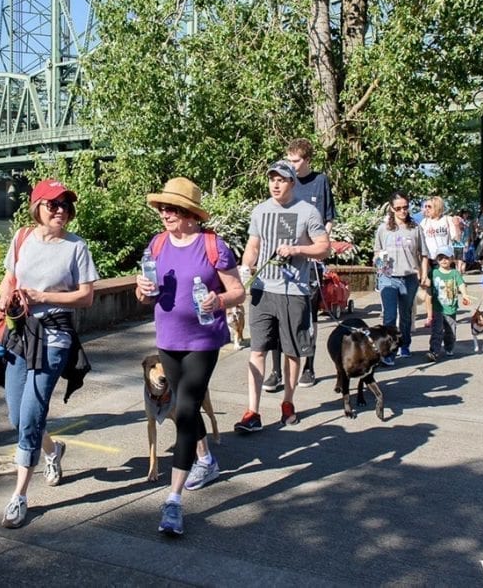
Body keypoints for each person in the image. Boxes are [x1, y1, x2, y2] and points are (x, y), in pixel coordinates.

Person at [135, 177, 245, 537]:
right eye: (162, 208)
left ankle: (173, 500)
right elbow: (145, 291)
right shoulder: (157, 243)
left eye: (172, 208)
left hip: (203, 340)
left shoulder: (213, 246)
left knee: (183, 410)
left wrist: (219, 301)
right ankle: (206, 460)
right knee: (188, 407)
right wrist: (142, 289)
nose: (164, 213)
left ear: (190, 214)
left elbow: (237, 291)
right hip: (168, 339)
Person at [0, 179, 98, 529]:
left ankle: (19, 496)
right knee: (15, 416)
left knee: (32, 414)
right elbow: (9, 277)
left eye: (65, 205)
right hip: (20, 333)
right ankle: (53, 451)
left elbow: (86, 297)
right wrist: (3, 299)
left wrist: (43, 297)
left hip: (55, 337)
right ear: (36, 207)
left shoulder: (76, 247)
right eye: (52, 204)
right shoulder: (22, 237)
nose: (60, 211)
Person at [236, 161, 330, 433]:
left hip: (294, 291)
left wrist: (297, 250)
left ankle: (287, 402)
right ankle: (252, 411)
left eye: (281, 180)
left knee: (291, 351)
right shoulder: (260, 210)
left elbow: (323, 248)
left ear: (292, 183)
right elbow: (253, 246)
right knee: (257, 350)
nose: (275, 184)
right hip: (262, 290)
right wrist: (246, 267)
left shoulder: (307, 212)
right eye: (271, 179)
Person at [262, 138, 336, 393]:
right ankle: (275, 370)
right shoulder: (282, 183)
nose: (291, 165)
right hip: (281, 261)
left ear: (307, 160)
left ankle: (309, 365)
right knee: (275, 315)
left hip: (309, 259)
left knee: (308, 316)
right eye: (289, 160)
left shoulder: (320, 181)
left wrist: (319, 249)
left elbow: (328, 219)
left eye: (296, 161)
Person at [373, 192, 424, 363]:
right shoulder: (383, 228)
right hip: (388, 277)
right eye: (398, 208)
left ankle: (404, 344)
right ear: (392, 209)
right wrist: (379, 262)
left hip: (409, 277)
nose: (403, 211)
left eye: (405, 207)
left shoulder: (415, 228)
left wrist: (423, 273)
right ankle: (388, 351)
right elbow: (376, 251)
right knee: (389, 316)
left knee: (406, 315)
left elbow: (423, 254)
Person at [425, 246, 472, 361]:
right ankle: (434, 351)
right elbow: (428, 286)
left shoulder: (454, 273)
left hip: (450, 307)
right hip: (438, 308)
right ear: (437, 260)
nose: (444, 260)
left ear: (451, 259)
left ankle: (449, 347)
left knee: (450, 331)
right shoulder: (434, 272)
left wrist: (465, 294)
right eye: (440, 258)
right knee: (437, 331)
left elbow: (461, 284)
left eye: (446, 257)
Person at [419, 196, 458, 327]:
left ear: (437, 207)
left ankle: (447, 314)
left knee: (445, 288)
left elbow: (456, 238)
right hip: (429, 259)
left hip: (444, 258)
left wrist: (457, 226)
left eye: (429, 206)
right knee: (430, 289)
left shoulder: (447, 220)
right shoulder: (424, 223)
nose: (426, 209)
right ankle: (430, 316)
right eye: (425, 207)